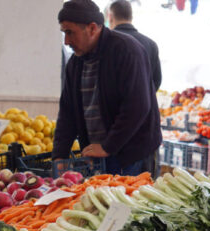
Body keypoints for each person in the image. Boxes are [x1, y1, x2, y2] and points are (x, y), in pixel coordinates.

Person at [54, 0, 161, 177]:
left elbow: (138, 106)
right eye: (64, 33)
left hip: (130, 154)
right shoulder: (75, 64)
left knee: (124, 204)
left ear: (92, 28)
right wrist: (59, 155)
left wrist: (107, 146)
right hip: (97, 155)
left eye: (70, 32)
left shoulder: (126, 50)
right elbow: (67, 113)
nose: (66, 41)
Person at [107, 0, 161, 91]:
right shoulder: (151, 44)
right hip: (143, 103)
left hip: (112, 104)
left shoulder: (105, 43)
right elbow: (156, 81)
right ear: (131, 17)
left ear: (110, 17)